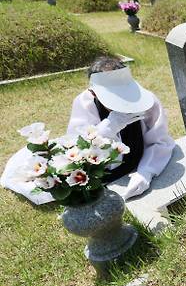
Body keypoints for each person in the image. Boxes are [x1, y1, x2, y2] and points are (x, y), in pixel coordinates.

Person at [67, 56, 175, 199]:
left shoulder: (147, 101)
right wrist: (108, 127)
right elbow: (79, 148)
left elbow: (160, 139)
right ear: (93, 92)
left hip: (139, 159)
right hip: (104, 172)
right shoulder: (85, 103)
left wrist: (146, 171)